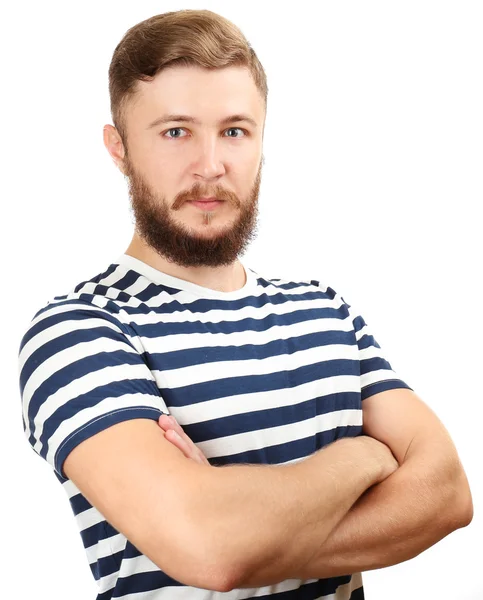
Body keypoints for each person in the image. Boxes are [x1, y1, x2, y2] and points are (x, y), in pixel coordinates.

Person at [17, 8, 473, 600]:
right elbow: (211, 550)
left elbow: (449, 495)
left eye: (234, 130)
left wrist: (241, 527)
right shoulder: (80, 332)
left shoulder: (327, 311)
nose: (211, 166)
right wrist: (362, 456)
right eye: (175, 131)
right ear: (119, 147)